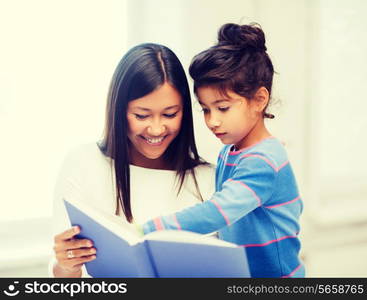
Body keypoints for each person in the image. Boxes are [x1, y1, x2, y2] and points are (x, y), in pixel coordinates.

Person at [141, 23, 305, 278]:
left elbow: (217, 212)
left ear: (259, 100)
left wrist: (151, 229)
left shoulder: (263, 161)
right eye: (206, 109)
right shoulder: (231, 152)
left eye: (223, 108)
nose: (212, 121)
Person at [50, 43, 215, 277]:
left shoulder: (208, 180)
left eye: (170, 114)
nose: (156, 129)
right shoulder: (82, 163)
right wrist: (66, 266)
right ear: (118, 110)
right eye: (141, 115)